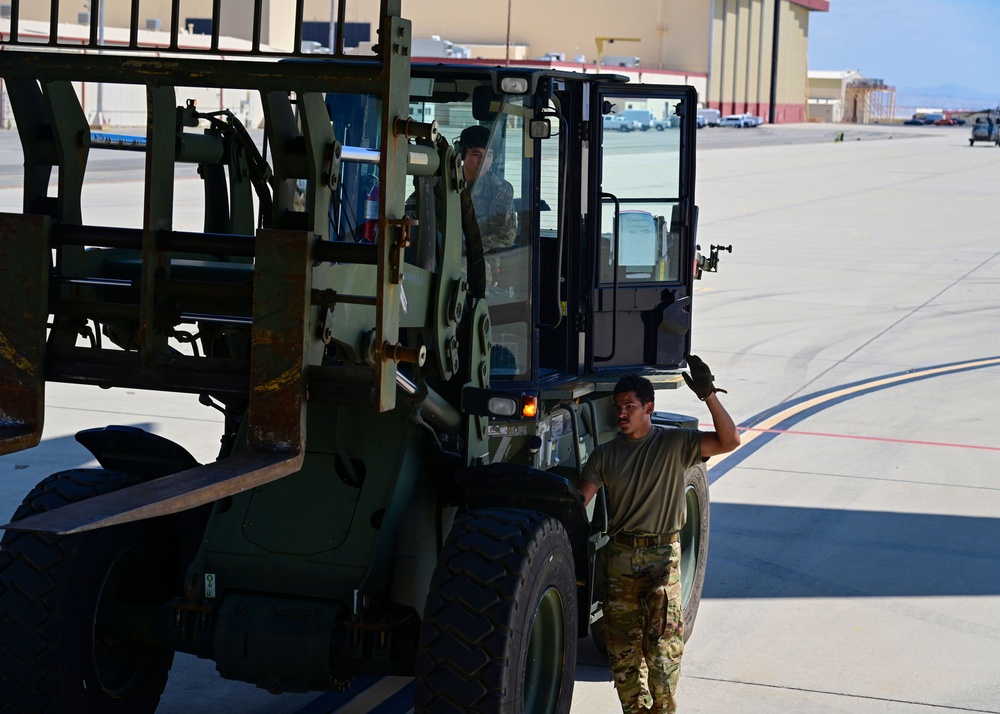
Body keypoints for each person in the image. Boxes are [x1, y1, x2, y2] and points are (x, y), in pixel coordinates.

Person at [577, 357, 741, 714]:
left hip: (661, 560)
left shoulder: (674, 445)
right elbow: (580, 499)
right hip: (620, 562)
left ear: (649, 408)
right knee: (622, 659)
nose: (622, 413)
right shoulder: (604, 455)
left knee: (663, 658)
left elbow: (730, 440)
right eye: (618, 408)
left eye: (630, 407)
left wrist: (708, 395)